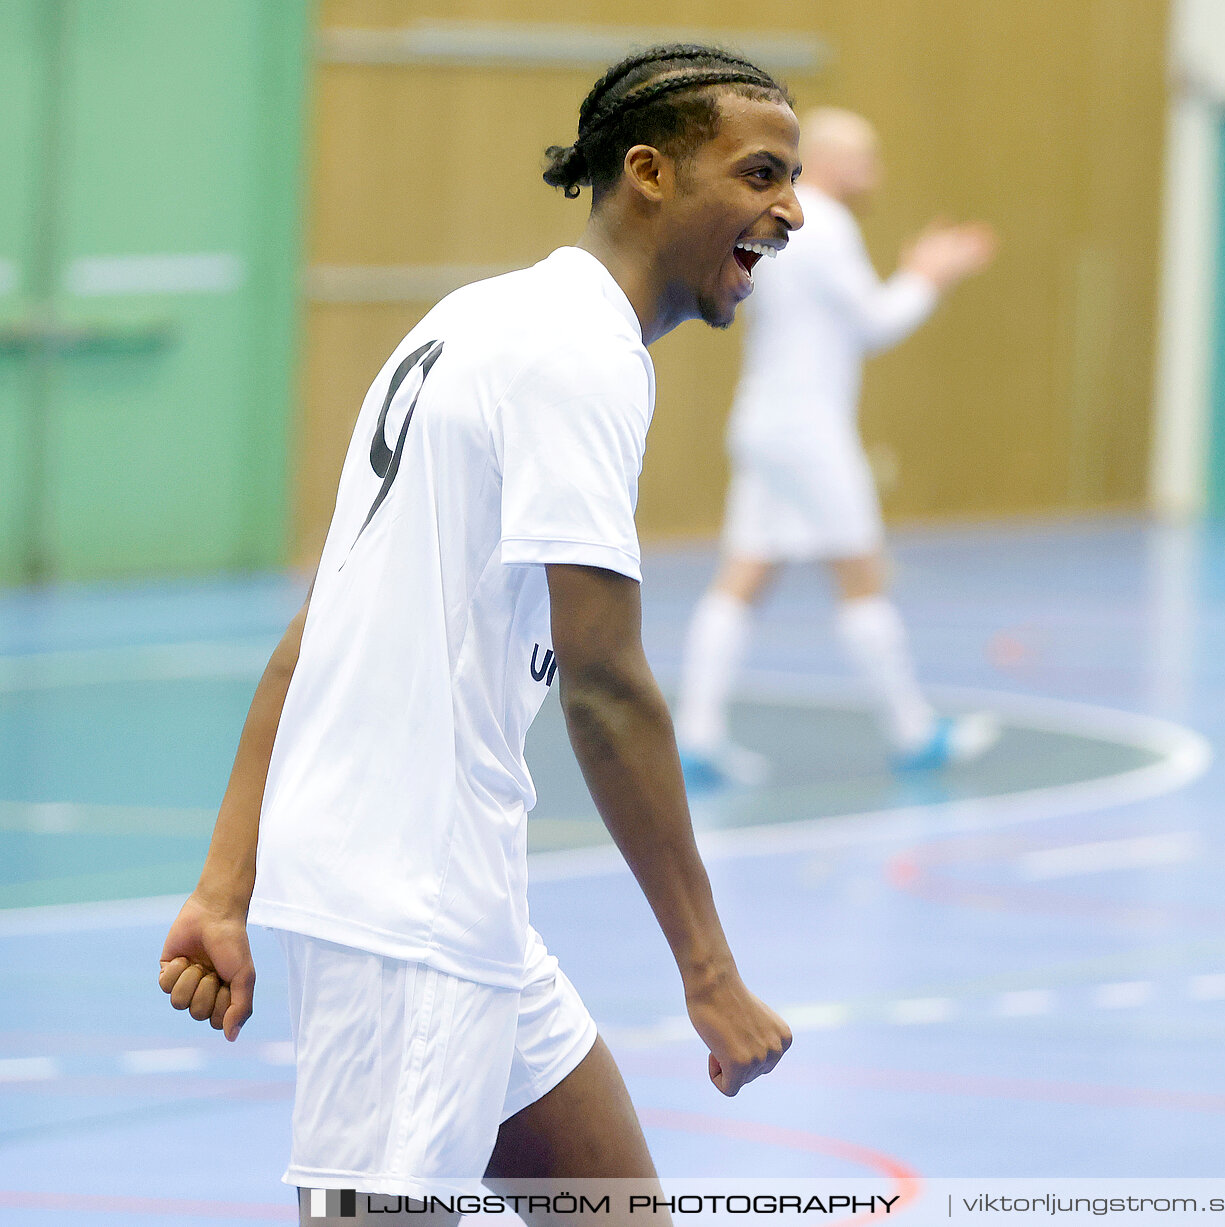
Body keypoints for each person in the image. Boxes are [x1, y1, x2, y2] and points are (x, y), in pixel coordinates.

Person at [154, 45, 800, 1213]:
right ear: (649, 172)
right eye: (759, 175)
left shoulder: (475, 318)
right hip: (412, 906)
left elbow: (316, 633)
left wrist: (225, 882)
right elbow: (605, 683)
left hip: (451, 892)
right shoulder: (578, 355)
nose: (788, 210)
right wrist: (709, 972)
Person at [673, 107, 998, 787]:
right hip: (808, 434)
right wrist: (930, 276)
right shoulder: (824, 224)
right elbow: (874, 324)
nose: (875, 173)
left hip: (764, 422)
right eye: (867, 158)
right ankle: (913, 734)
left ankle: (697, 735)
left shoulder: (781, 223)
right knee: (861, 576)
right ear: (833, 161)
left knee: (745, 574)